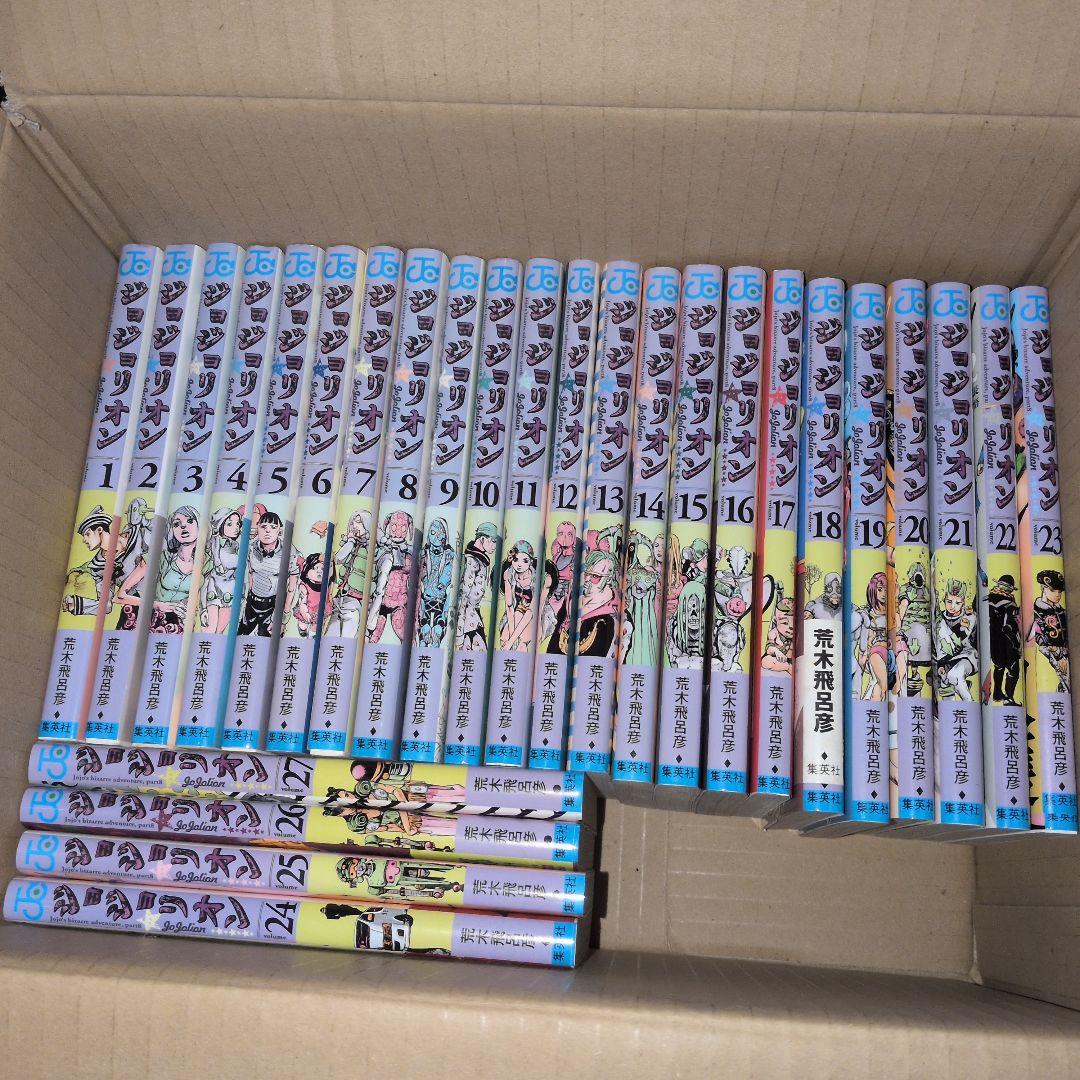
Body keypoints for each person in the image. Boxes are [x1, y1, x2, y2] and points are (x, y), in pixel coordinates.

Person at [238, 508, 297, 637]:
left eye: (273, 527)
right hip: (251, 602)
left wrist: (283, 617)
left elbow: (291, 586)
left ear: (279, 530)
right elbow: (250, 573)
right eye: (263, 526)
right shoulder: (251, 547)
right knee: (241, 637)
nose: (268, 531)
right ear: (257, 528)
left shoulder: (288, 551)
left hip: (273, 606)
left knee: (267, 641)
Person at [325, 510, 369, 638]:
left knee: (347, 640)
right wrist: (350, 542)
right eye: (352, 523)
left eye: (359, 522)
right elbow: (338, 559)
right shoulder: (351, 544)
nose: (354, 526)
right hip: (339, 599)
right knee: (329, 638)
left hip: (355, 602)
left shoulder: (371, 548)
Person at [455, 521, 499, 651]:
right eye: (493, 541)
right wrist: (459, 632)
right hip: (467, 621)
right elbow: (463, 596)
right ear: (483, 538)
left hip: (474, 616)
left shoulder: (481, 560)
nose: (495, 546)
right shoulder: (472, 561)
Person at [202, 506, 242, 633]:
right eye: (230, 524)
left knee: (219, 632)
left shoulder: (236, 545)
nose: (236, 528)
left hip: (230, 591)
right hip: (213, 588)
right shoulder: (213, 544)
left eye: (238, 524)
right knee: (209, 629)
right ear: (220, 525)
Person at [1030, 568, 1070, 693]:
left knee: (1066, 684)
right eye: (1053, 590)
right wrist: (1058, 656)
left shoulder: (1061, 610)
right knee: (1066, 682)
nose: (1057, 594)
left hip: (1065, 650)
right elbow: (1038, 636)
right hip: (1050, 650)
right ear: (1043, 588)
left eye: (1060, 591)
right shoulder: (1036, 610)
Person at [416, 517, 454, 648]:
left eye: (440, 533)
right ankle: (423, 637)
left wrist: (443, 581)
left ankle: (438, 633)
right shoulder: (424, 553)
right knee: (423, 624)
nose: (436, 537)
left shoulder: (449, 554)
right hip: (425, 593)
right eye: (433, 533)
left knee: (438, 626)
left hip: (440, 595)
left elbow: (450, 568)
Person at [987, 573, 1022, 704]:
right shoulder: (1010, 604)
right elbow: (1010, 626)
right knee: (1014, 669)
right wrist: (1016, 644)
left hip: (992, 639)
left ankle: (997, 693)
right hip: (1006, 641)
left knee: (999, 666)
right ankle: (1009, 697)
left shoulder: (987, 599)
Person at [498, 539, 538, 651]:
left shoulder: (536, 579)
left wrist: (511, 642)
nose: (519, 565)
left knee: (521, 644)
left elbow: (530, 612)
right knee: (504, 638)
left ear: (531, 561)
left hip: (532, 616)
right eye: (516, 560)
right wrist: (511, 634)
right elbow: (509, 606)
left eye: (525, 561)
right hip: (515, 613)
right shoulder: (508, 574)